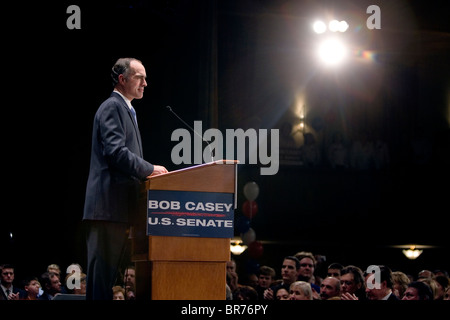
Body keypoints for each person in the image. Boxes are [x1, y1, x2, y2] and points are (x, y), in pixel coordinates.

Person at [83, 57, 168, 300]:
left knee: (107, 283)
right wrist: (150, 168)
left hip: (118, 210)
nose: (145, 83)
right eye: (139, 77)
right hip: (107, 210)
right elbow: (116, 152)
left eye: (145, 78)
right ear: (122, 79)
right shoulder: (112, 107)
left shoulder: (126, 109)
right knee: (100, 286)